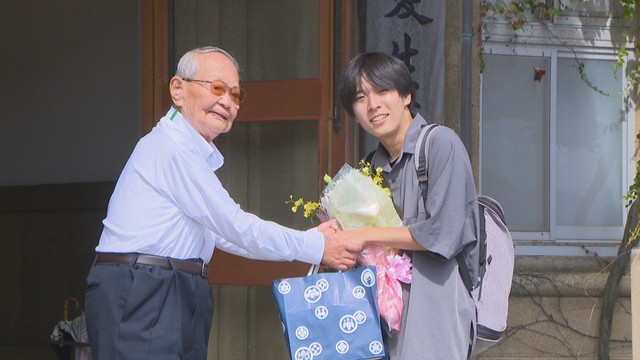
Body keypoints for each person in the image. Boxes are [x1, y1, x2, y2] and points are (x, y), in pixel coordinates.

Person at [84, 46, 361, 360]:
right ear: (178, 89)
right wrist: (315, 246)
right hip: (144, 290)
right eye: (216, 88)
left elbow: (224, 234)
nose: (227, 101)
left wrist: (312, 243)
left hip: (171, 286)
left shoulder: (186, 150)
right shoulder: (171, 148)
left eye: (236, 94)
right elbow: (235, 225)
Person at [335, 52, 480, 359]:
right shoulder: (368, 170)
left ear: (406, 95)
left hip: (437, 313)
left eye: (382, 91)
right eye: (361, 97)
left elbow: (442, 233)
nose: (373, 104)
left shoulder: (440, 144)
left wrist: (365, 236)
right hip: (385, 322)